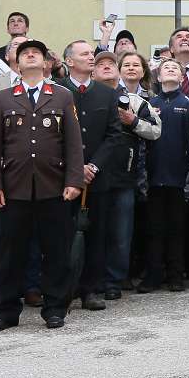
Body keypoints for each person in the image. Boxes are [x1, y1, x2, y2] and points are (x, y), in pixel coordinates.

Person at [0, 39, 84, 332]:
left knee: (56, 252)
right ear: (16, 62)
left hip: (54, 186)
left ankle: (54, 309)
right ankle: (5, 311)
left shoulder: (62, 96)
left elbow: (74, 145)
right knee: (10, 253)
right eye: (25, 52)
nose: (30, 55)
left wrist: (74, 180)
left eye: (36, 53)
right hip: (14, 188)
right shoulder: (3, 98)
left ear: (46, 63)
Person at [57, 40, 126, 310]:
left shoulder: (107, 95)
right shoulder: (56, 91)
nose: (92, 57)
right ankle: (61, 290)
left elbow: (114, 135)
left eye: (92, 53)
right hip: (63, 178)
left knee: (96, 236)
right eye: (85, 54)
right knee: (61, 235)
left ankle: (90, 290)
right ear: (69, 61)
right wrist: (74, 167)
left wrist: (93, 166)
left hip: (97, 179)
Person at [97, 51, 159, 298]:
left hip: (125, 177)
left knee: (121, 235)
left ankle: (114, 282)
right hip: (95, 175)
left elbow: (156, 131)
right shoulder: (85, 97)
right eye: (102, 64)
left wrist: (133, 121)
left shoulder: (136, 101)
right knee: (96, 232)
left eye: (111, 63)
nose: (108, 68)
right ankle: (93, 281)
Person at [140, 60, 189, 293]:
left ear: (183, 77)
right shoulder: (150, 104)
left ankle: (175, 274)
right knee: (154, 229)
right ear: (158, 77)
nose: (171, 69)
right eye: (166, 68)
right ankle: (152, 274)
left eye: (176, 68)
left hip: (179, 179)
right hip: (154, 178)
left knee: (177, 228)